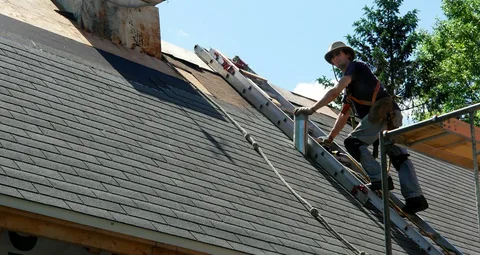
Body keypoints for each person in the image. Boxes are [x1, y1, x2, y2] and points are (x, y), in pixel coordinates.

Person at [294, 41, 428, 214]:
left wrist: (312, 109)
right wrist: (331, 137)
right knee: (397, 155)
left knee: (353, 143)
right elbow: (343, 114)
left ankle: (380, 179)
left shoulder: (356, 67)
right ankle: (415, 198)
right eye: (333, 57)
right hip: (390, 115)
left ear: (348, 55)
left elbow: (334, 91)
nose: (335, 58)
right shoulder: (349, 91)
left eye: (339, 54)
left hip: (383, 111)